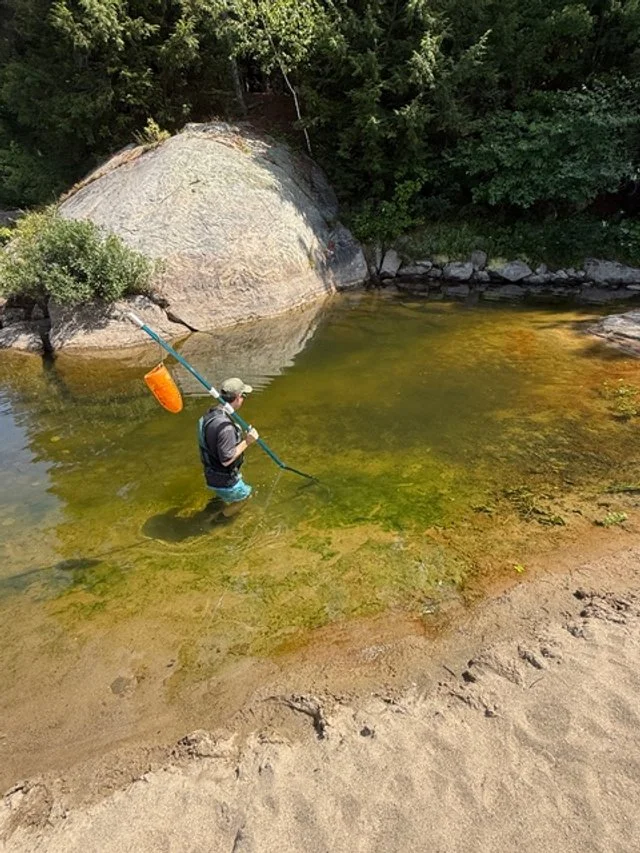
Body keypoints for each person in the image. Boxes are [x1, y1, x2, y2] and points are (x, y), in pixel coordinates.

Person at [198, 377, 259, 516]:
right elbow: (226, 459)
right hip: (225, 479)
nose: (243, 399)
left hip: (211, 473)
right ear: (237, 398)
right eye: (243, 396)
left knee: (221, 497)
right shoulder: (226, 428)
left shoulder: (210, 414)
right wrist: (248, 441)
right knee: (246, 497)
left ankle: (209, 512)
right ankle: (218, 521)